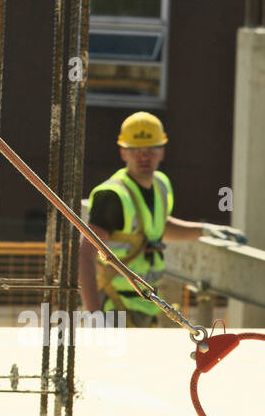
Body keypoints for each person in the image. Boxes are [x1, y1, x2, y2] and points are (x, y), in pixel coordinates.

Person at [79, 111, 244, 327]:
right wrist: (94, 315)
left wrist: (204, 230)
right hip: (113, 306)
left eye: (151, 150)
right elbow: (85, 255)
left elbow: (157, 227)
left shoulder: (161, 185)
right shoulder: (113, 195)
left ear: (162, 152)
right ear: (123, 153)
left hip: (147, 304)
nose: (144, 157)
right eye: (135, 150)